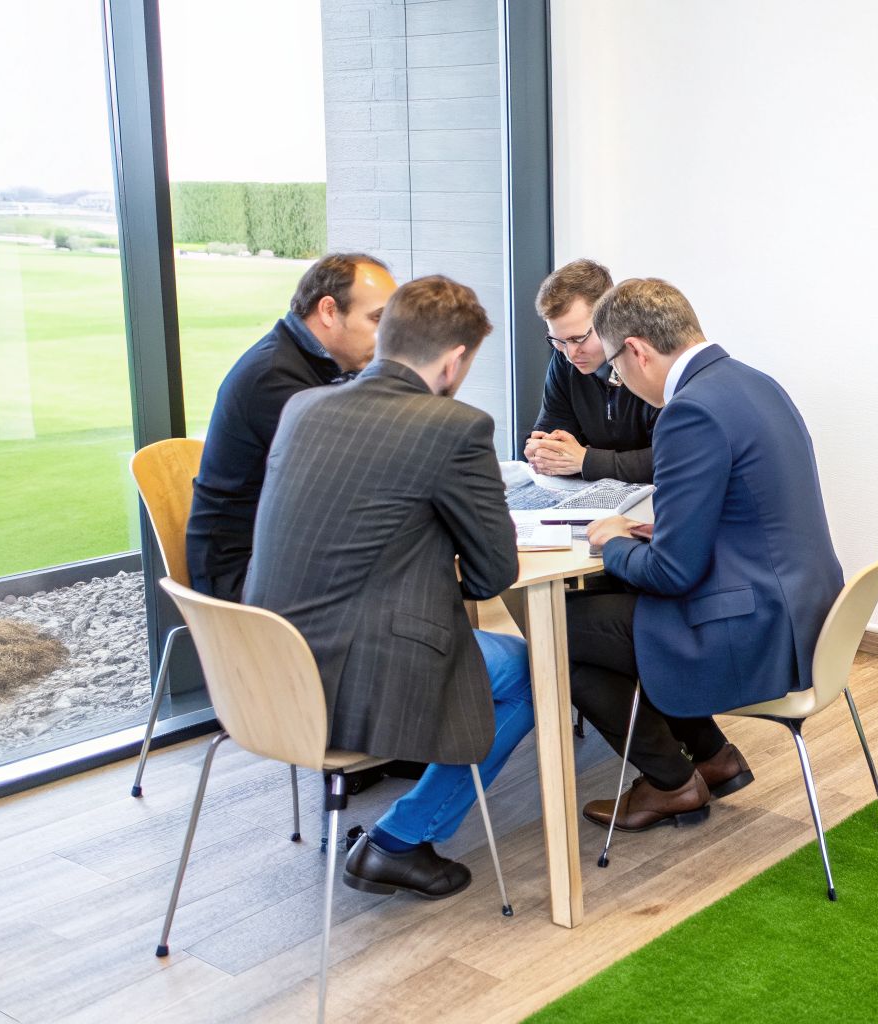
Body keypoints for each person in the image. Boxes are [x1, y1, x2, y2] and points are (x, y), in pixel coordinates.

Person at [245, 275, 532, 899]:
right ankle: (399, 841)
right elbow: (493, 575)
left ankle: (399, 832)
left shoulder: (304, 406)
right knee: (527, 671)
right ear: (455, 360)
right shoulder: (455, 426)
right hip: (348, 681)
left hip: (261, 672)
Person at [572, 278, 845, 831]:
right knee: (605, 600)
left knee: (558, 628)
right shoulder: (754, 382)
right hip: (802, 609)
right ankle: (713, 758)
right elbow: (749, 512)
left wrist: (613, 540)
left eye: (614, 370)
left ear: (637, 351)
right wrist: (657, 532)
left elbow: (673, 573)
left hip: (757, 629)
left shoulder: (687, 412)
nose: (618, 383)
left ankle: (670, 784)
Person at [185, 252, 397, 600]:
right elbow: (360, 478)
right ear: (329, 311)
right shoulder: (276, 380)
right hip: (248, 581)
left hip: (288, 558)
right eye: (378, 320)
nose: (387, 337)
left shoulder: (322, 366)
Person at [524, 258, 658, 482]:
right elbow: (554, 424)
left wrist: (587, 461)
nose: (571, 353)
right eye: (558, 341)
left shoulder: (652, 359)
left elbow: (670, 457)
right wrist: (541, 448)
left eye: (579, 338)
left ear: (610, 317)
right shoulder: (565, 358)